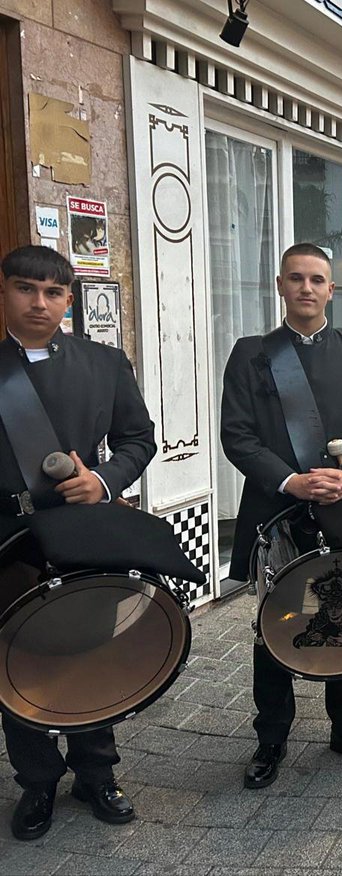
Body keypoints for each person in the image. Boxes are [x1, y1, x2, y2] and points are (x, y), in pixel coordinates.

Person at [221, 242, 342, 789]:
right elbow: (237, 436)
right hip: (276, 509)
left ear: (331, 290)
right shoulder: (251, 353)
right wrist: (291, 479)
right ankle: (271, 738)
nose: (306, 288)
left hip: (341, 509)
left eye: (317, 279)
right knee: (275, 626)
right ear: (279, 285)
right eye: (295, 278)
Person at [0, 245, 156, 840]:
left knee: (94, 653)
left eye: (52, 292)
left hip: (84, 534)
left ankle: (96, 772)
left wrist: (104, 479)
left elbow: (139, 440)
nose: (39, 302)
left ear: (69, 299)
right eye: (25, 289)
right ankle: (36, 781)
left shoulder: (104, 362)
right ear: (7, 292)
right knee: (20, 659)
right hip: (11, 542)